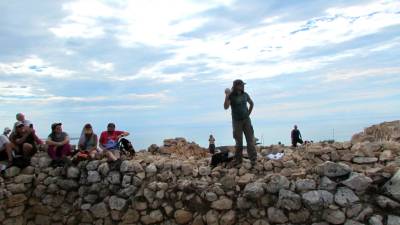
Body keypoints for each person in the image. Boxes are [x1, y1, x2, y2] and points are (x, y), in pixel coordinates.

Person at [224, 79, 257, 166]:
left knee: (250, 140)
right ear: (237, 86)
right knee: (239, 142)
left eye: (243, 85)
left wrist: (248, 114)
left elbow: (252, 103)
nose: (243, 86)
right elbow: (226, 107)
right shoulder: (231, 96)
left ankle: (253, 159)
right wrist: (227, 95)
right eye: (242, 85)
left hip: (246, 120)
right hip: (236, 122)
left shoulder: (245, 95)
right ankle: (238, 159)